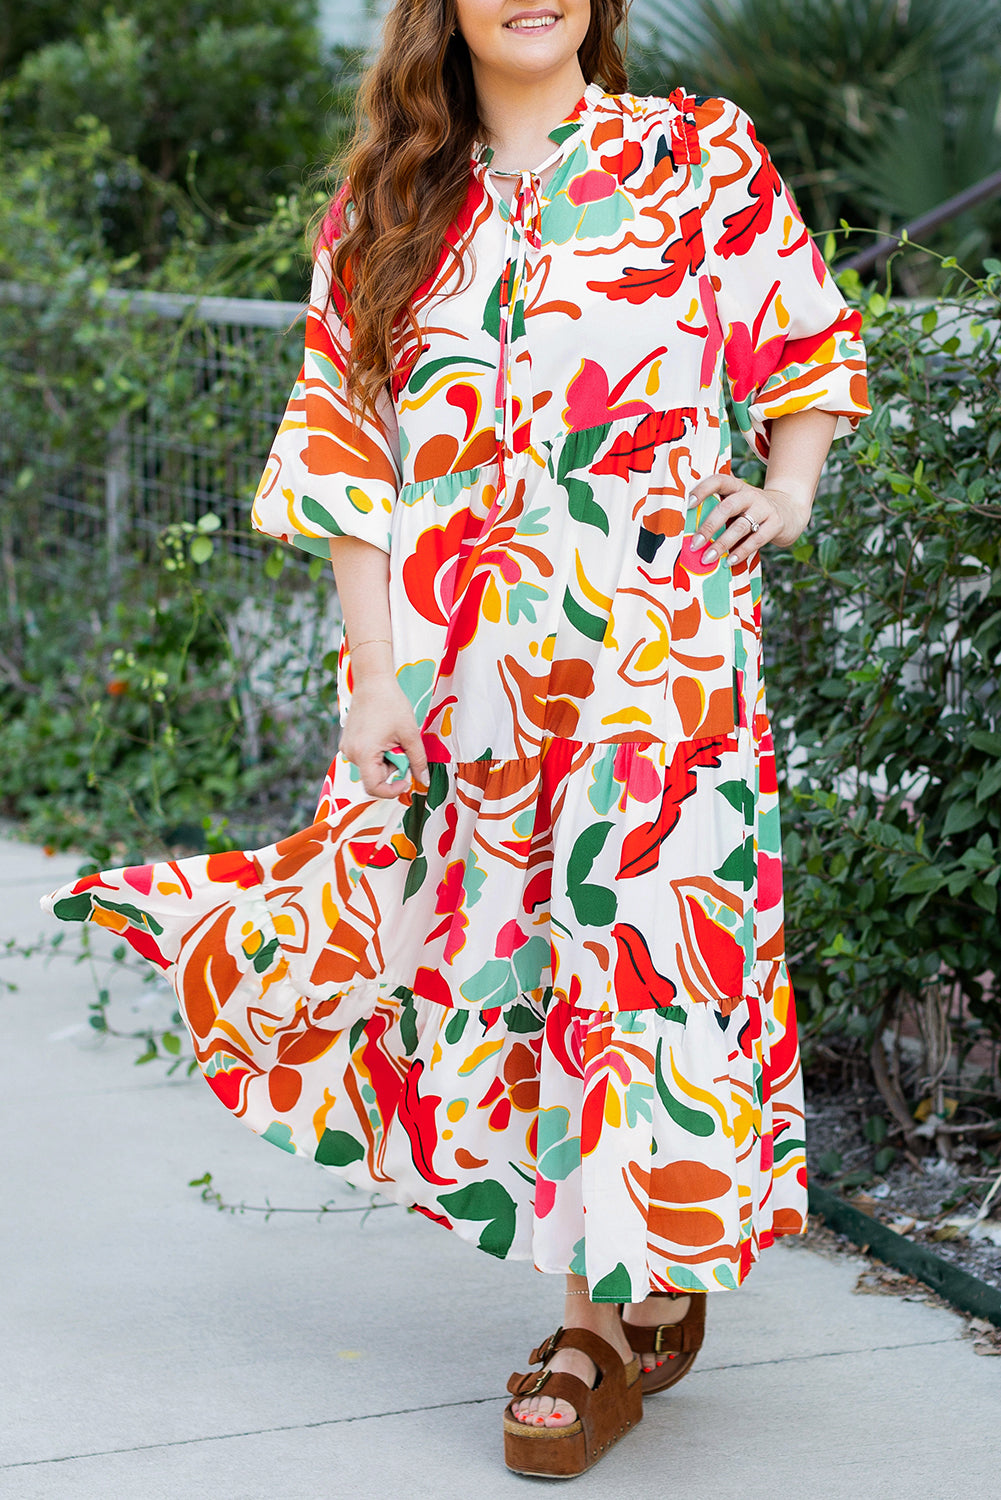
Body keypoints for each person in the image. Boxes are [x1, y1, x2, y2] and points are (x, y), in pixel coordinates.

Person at [43, 0, 869, 1478]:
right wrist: (371, 677)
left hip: (657, 667)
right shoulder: (391, 201)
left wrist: (789, 489)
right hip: (462, 682)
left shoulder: (697, 156)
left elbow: (800, 335)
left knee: (632, 962)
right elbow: (345, 450)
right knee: (492, 966)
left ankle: (594, 1328)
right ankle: (629, 1272)